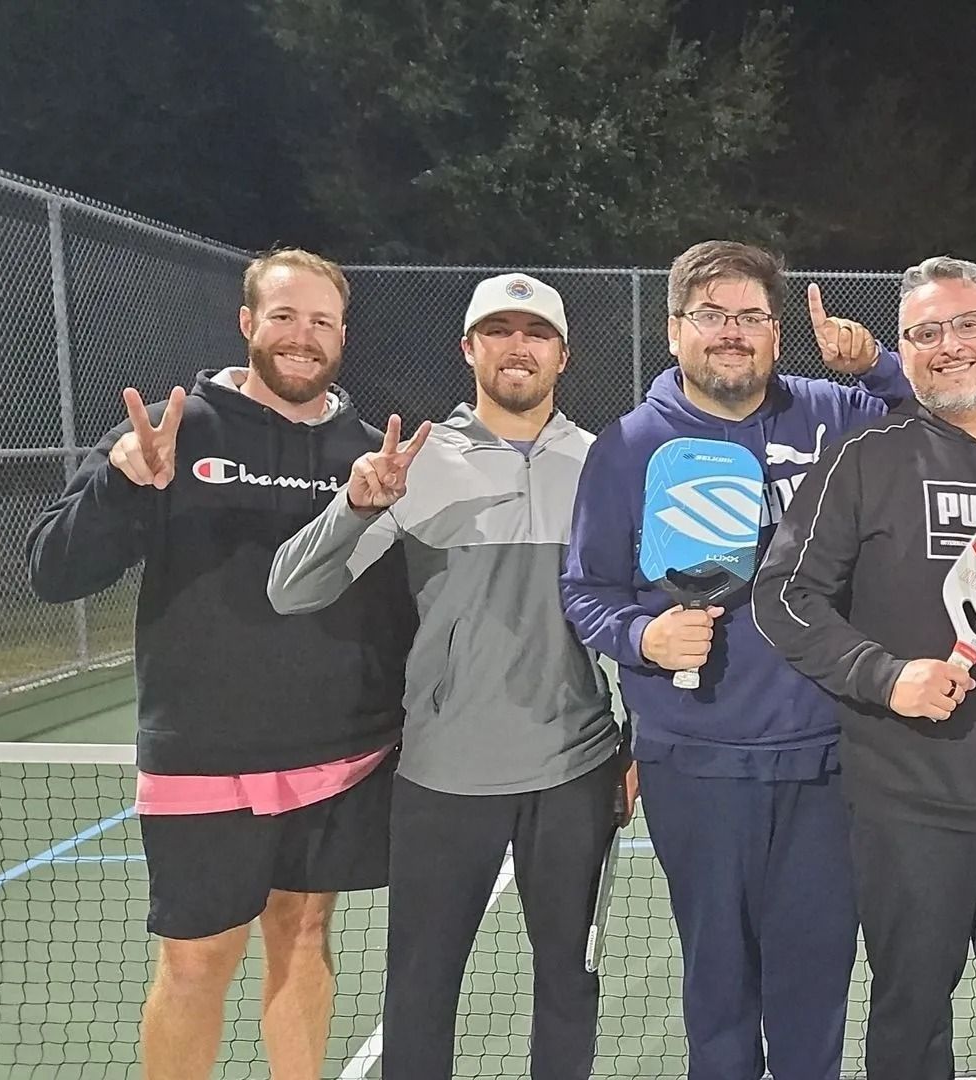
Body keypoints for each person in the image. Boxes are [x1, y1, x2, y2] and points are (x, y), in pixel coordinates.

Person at [24, 249, 411, 1080]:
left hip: (335, 756)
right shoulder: (176, 429)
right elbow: (54, 570)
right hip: (204, 756)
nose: (303, 338)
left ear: (343, 335)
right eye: (284, 316)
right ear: (246, 324)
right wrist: (123, 485)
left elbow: (392, 603)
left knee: (305, 936)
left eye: (322, 322)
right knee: (197, 964)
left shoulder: (362, 451)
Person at [754, 255, 976, 1080]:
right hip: (904, 806)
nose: (948, 346)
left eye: (965, 325)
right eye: (925, 333)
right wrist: (886, 675)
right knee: (908, 1025)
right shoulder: (863, 458)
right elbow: (783, 597)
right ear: (905, 350)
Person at [559, 239, 910, 1079]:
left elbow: (928, 430)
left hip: (829, 758)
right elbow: (585, 591)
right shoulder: (629, 446)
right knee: (718, 987)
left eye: (752, 316)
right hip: (696, 764)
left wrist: (883, 366)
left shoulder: (835, 414)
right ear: (675, 330)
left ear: (776, 333)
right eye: (711, 315)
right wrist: (643, 638)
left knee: (816, 981)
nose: (732, 332)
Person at [268, 273, 624, 1080]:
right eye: (497, 330)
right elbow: (292, 590)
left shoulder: (605, 465)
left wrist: (634, 746)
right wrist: (355, 507)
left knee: (571, 984)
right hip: (442, 777)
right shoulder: (412, 465)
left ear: (562, 356)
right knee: (421, 992)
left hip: (574, 773)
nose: (516, 346)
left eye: (534, 333)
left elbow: (637, 614)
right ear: (469, 349)